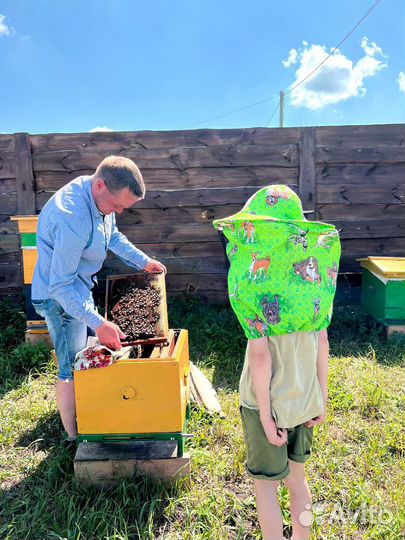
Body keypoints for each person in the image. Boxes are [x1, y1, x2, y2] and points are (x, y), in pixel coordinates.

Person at [213, 185, 340, 540]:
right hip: (304, 401)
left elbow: (259, 356)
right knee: (299, 483)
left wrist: (267, 419)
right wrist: (321, 399)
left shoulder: (257, 293)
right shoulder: (313, 292)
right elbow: (323, 344)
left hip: (264, 406)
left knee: (266, 489)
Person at [31, 156, 166, 439]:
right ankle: (74, 437)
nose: (118, 211)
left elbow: (112, 236)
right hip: (59, 298)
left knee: (84, 351)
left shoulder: (99, 197)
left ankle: (90, 406)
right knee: (69, 366)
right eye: (117, 205)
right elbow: (60, 286)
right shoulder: (72, 218)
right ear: (101, 185)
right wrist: (99, 322)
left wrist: (142, 261)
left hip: (77, 288)